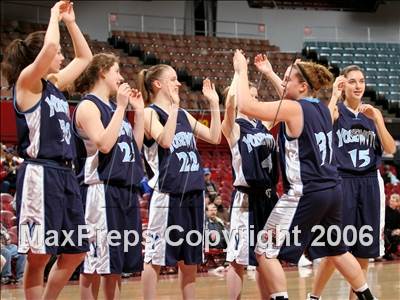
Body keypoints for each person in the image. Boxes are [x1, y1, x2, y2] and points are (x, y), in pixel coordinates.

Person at [233, 49, 377, 300]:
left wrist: (241, 70)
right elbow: (287, 97)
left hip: (305, 192)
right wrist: (268, 73)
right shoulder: (321, 108)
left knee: (264, 250)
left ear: (302, 86)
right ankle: (368, 297)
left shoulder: (293, 109)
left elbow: (246, 105)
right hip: (333, 191)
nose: (283, 82)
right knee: (338, 250)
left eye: (287, 78)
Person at [1, 1, 92, 299]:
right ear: (40, 56)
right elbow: (52, 48)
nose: (62, 57)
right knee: (39, 254)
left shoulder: (53, 84)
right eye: (57, 54)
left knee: (76, 250)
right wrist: (53, 16)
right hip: (40, 174)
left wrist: (70, 22)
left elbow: (85, 57)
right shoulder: (26, 83)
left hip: (66, 175)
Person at [309, 65, 396, 300]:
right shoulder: (336, 110)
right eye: (352, 81)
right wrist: (334, 96)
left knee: (364, 250)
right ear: (343, 84)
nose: (358, 86)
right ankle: (314, 297)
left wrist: (379, 119)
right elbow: (323, 127)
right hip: (342, 181)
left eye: (361, 81)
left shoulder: (371, 114)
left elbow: (390, 148)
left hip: (369, 182)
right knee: (335, 247)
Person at [138, 64, 221, 299]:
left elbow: (214, 137)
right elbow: (164, 141)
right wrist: (174, 108)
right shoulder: (149, 113)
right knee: (155, 258)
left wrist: (213, 104)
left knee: (189, 259)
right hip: (168, 194)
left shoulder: (183, 114)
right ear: (158, 84)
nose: (178, 83)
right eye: (173, 79)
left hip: (193, 193)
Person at [72, 53, 144, 299]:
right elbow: (104, 143)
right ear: (102, 71)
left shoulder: (115, 108)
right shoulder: (88, 106)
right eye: (116, 71)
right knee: (94, 263)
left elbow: (133, 147)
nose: (121, 76)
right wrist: (122, 107)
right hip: (100, 189)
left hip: (124, 188)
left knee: (116, 266)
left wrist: (140, 112)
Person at [221, 70, 278, 300]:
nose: (253, 100)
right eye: (249, 95)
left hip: (269, 197)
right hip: (247, 198)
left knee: (265, 256)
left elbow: (284, 101)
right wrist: (237, 73)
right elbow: (228, 108)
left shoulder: (261, 124)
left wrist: (270, 73)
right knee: (238, 259)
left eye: (255, 96)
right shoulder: (233, 127)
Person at [384, 193, 400, 260]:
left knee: (398, 234)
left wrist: (398, 230)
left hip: (393, 231)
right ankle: (386, 253)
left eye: (394, 200)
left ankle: (390, 252)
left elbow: (398, 225)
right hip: (385, 230)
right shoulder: (385, 210)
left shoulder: (397, 213)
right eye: (391, 199)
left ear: (397, 203)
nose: (392, 200)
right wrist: (391, 231)